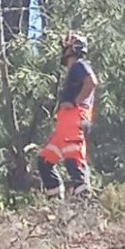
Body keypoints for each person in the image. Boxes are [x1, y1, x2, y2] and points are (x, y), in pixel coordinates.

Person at [38, 32, 98, 199]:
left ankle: (84, 205)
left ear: (73, 48)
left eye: (66, 46)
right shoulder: (74, 70)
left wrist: (77, 102)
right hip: (65, 123)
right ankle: (55, 200)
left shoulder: (80, 65)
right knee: (45, 161)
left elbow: (92, 82)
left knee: (74, 159)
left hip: (75, 118)